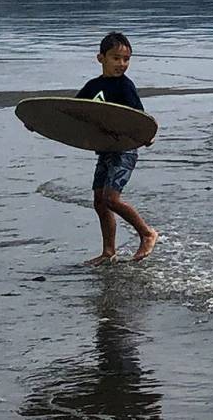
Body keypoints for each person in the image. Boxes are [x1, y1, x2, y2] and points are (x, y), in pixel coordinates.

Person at [77, 31, 158, 265]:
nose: (122, 64)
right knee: (99, 202)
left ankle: (146, 233)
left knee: (111, 199)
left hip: (125, 150)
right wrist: (38, 123)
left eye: (126, 59)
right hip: (104, 150)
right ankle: (108, 251)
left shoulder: (125, 87)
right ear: (100, 58)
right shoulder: (93, 87)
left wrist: (145, 135)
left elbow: (138, 118)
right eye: (116, 58)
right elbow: (73, 113)